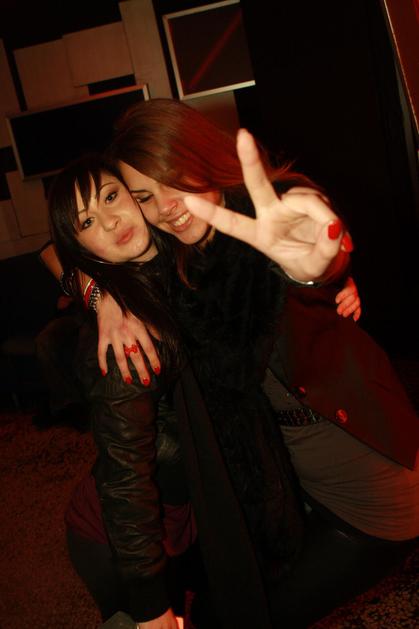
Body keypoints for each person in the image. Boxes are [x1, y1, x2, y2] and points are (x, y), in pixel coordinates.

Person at [47, 99, 418, 628]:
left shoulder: (265, 220)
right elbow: (56, 248)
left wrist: (322, 269)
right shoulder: (163, 276)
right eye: (145, 195)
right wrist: (97, 291)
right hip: (253, 499)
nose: (167, 206)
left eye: (173, 178)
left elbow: (308, 257)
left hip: (365, 484)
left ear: (202, 157)